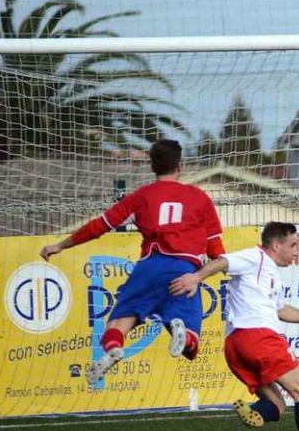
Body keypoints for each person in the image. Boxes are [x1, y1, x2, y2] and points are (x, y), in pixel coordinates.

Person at [40, 139, 224, 384]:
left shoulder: (141, 196)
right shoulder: (199, 198)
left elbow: (99, 226)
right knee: (191, 348)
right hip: (184, 270)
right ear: (180, 166)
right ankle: (180, 329)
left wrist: (59, 245)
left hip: (149, 267)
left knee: (117, 323)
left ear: (152, 166)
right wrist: (214, 267)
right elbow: (216, 250)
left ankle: (114, 347)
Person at [169, 221, 299, 431]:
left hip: (235, 347)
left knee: (277, 406)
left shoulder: (272, 274)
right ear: (277, 246)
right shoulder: (255, 257)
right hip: (259, 338)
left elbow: (280, 311)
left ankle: (255, 411)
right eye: (293, 245)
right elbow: (223, 262)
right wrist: (196, 278)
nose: (296, 251)